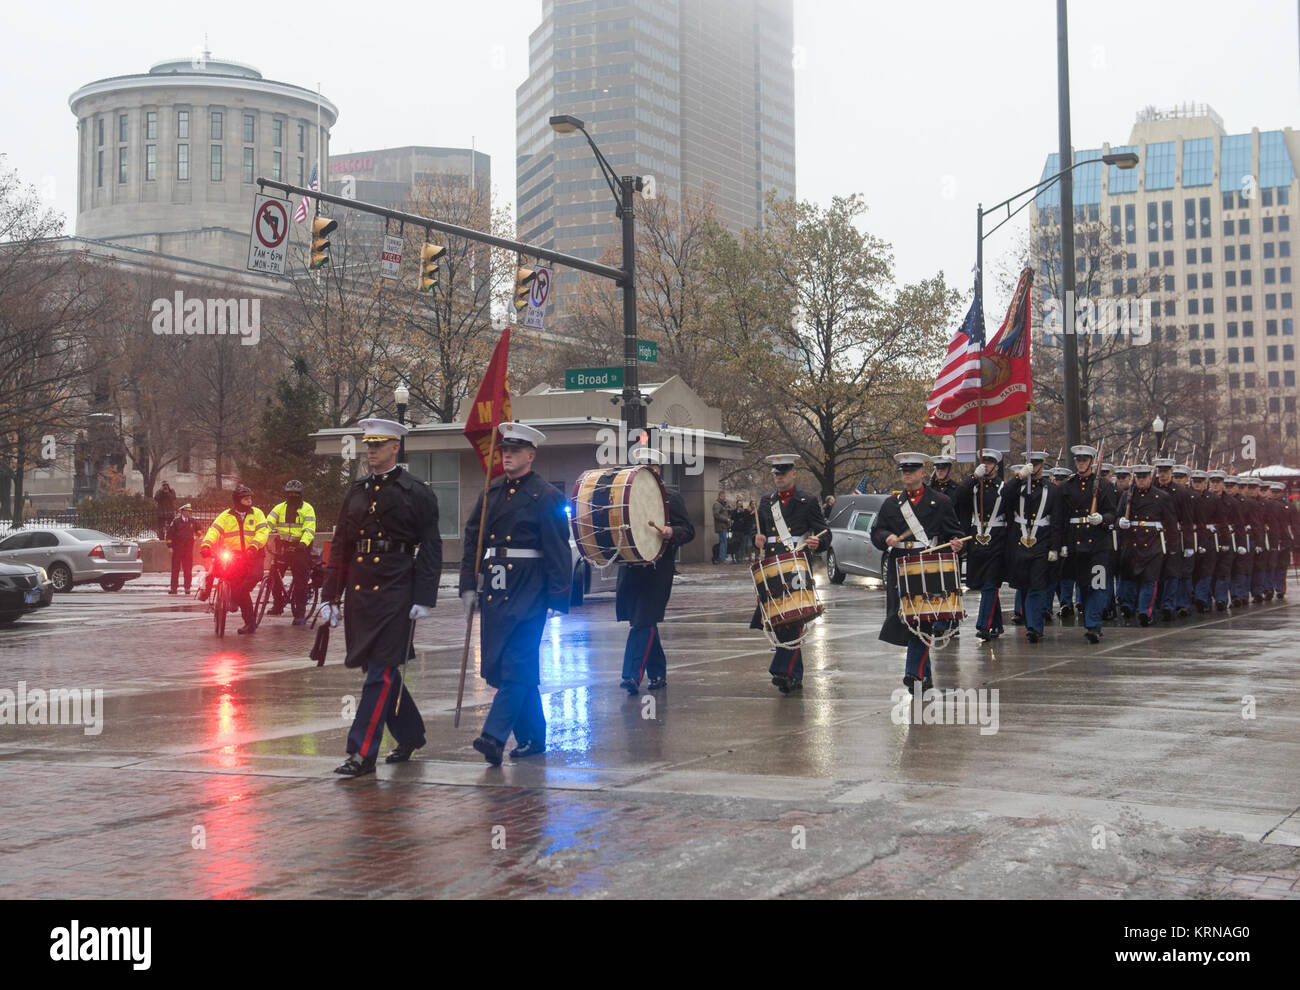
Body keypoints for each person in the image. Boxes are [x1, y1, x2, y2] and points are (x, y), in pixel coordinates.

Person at [321, 418, 441, 777]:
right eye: (367, 444)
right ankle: (411, 735)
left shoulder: (417, 491)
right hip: (361, 588)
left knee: (381, 672)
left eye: (378, 444)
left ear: (395, 448)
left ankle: (361, 752)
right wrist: (331, 596)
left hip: (396, 589)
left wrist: (424, 596)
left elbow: (431, 547)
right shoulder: (356, 491)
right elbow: (341, 545)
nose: (370, 450)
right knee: (378, 671)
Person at [460, 423, 571, 766]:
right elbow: (472, 540)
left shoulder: (547, 496)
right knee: (501, 665)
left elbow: (558, 550)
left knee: (517, 662)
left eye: (515, 451)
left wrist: (557, 597)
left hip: (530, 587)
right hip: (496, 587)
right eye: (504, 450)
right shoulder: (490, 492)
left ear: (531, 455)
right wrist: (467, 584)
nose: (507, 455)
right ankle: (534, 738)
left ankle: (493, 736)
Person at [869, 452, 965, 693]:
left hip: (928, 565)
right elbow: (876, 531)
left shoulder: (940, 501)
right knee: (907, 619)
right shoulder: (891, 504)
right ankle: (925, 676)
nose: (907, 474)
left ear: (924, 473)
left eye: (912, 470)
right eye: (904, 470)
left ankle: (914, 673)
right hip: (900, 565)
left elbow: (956, 533)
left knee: (922, 620)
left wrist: (957, 543)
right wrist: (885, 537)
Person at [617, 446, 695, 693]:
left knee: (642, 622)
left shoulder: (671, 497)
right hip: (631, 568)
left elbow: (689, 531)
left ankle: (631, 676)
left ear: (658, 470)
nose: (647, 471)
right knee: (644, 621)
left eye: (651, 467)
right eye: (642, 467)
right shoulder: (624, 497)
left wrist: (673, 532)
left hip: (657, 569)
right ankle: (658, 673)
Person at [750, 454, 830, 693]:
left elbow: (824, 531)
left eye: (783, 473)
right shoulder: (766, 502)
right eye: (776, 474)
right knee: (778, 620)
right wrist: (758, 539)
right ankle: (794, 676)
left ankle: (782, 668)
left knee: (793, 617)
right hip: (773, 565)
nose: (779, 478)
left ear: (793, 474)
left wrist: (819, 542)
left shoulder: (806, 500)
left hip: (796, 563)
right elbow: (761, 533)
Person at [1001, 451, 1064, 643]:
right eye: (1031, 464)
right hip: (1019, 543)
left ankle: (1034, 628)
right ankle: (1030, 622)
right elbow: (1003, 495)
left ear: (1043, 466)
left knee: (1037, 587)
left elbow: (1057, 521)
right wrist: (1019, 477)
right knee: (1024, 586)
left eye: (1037, 464)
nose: (1034, 468)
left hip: (1041, 543)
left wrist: (1055, 547)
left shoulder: (1052, 490)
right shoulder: (1018, 487)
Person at [1057, 445, 1118, 644]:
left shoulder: (1104, 486)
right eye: (1078, 460)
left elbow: (1113, 514)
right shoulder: (1068, 486)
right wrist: (1063, 544)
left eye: (1084, 460)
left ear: (1091, 462)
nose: (1081, 463)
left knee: (1098, 585)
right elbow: (1062, 518)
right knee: (1083, 585)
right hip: (1076, 543)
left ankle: (1093, 625)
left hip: (1099, 545)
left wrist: (1102, 518)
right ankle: (1091, 622)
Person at [198, 484, 269, 635]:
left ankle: (237, 598)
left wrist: (253, 547)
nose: (249, 500)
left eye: (250, 498)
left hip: (254, 555)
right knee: (236, 587)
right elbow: (213, 531)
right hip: (235, 556)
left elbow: (263, 532)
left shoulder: (258, 514)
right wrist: (206, 545)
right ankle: (250, 623)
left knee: (253, 578)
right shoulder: (225, 516)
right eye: (245, 498)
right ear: (237, 500)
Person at [953, 448, 1007, 641]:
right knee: (985, 584)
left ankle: (983, 625)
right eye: (984, 462)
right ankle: (997, 624)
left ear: (997, 465)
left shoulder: (1002, 487)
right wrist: (974, 475)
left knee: (991, 583)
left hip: (997, 541)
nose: (987, 465)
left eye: (991, 462)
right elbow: (958, 495)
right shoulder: (974, 486)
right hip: (977, 541)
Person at [1116, 463, 1177, 625]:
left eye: (1144, 477)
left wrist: (1172, 548)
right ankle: (1127, 606)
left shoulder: (1162, 497)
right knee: (1129, 577)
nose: (1141, 480)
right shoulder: (1127, 495)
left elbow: (1170, 524)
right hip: (1132, 541)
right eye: (1138, 477)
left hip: (1153, 543)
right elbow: (1117, 516)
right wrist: (1120, 522)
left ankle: (1145, 611)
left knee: (1149, 579)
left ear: (1151, 478)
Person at [265, 480, 318, 626]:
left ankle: (300, 613)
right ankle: (278, 604)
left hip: (301, 547)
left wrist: (303, 543)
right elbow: (267, 524)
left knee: (300, 581)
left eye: (296, 494)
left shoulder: (307, 509)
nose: (293, 496)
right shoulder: (279, 508)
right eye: (290, 494)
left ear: (301, 495)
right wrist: (260, 538)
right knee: (274, 575)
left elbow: (309, 529)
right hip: (282, 546)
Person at [166, 503, 199, 595]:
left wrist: (198, 535)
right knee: (175, 569)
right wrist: (170, 546)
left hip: (188, 549)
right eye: (187, 511)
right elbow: (169, 534)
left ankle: (187, 587)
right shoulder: (176, 522)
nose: (188, 513)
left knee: (188, 569)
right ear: (182, 512)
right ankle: (174, 588)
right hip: (177, 549)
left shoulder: (192, 521)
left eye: (189, 511)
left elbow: (199, 529)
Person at [712, 492, 732, 565]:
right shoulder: (717, 504)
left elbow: (724, 513)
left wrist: (729, 510)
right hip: (721, 526)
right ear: (720, 496)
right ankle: (722, 559)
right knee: (723, 542)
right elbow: (716, 515)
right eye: (723, 496)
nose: (724, 497)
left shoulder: (723, 504)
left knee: (724, 542)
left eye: (724, 496)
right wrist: (726, 519)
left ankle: (722, 557)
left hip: (724, 526)